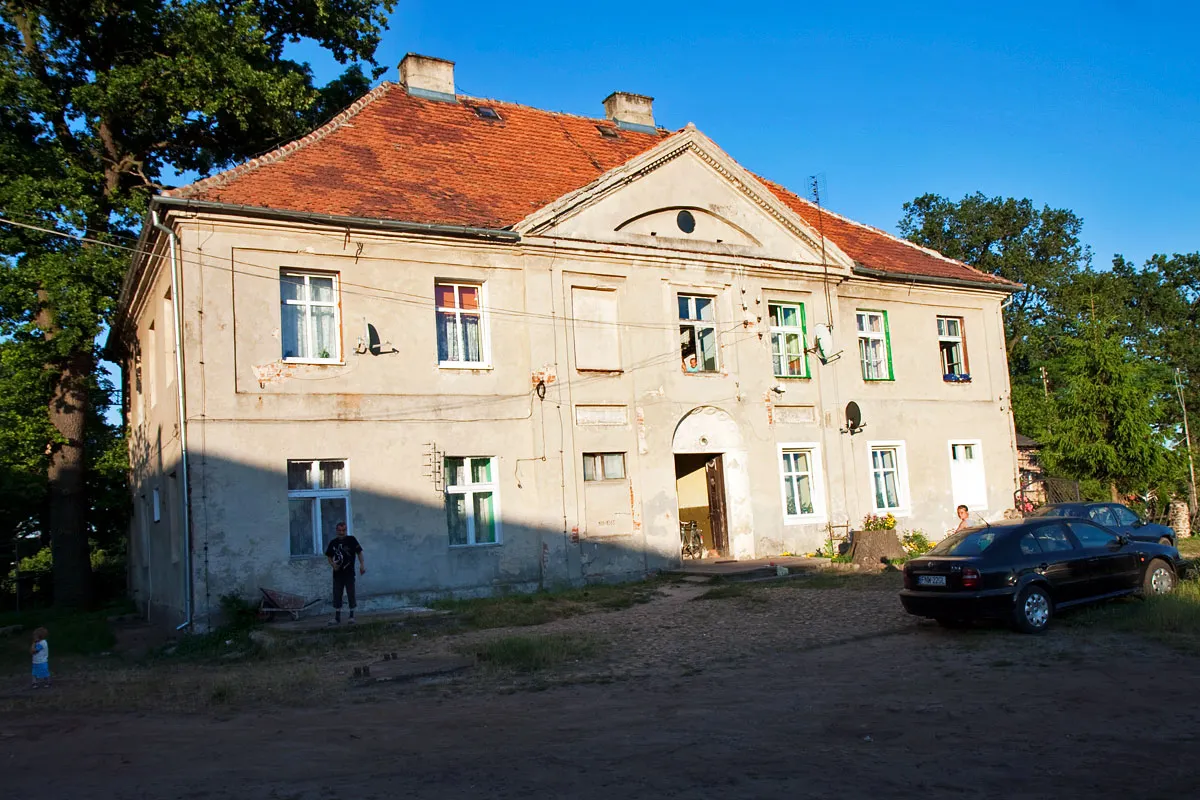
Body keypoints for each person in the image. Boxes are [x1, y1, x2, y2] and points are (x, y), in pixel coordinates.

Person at [325, 522, 365, 625]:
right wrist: (333, 564)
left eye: (344, 530)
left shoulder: (351, 540)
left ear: (346, 530)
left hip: (349, 572)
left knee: (351, 593)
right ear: (336, 531)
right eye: (339, 530)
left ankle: (351, 616)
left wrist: (362, 564)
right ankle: (337, 617)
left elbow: (359, 552)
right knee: (337, 594)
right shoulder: (333, 543)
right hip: (338, 573)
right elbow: (329, 556)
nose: (342, 532)